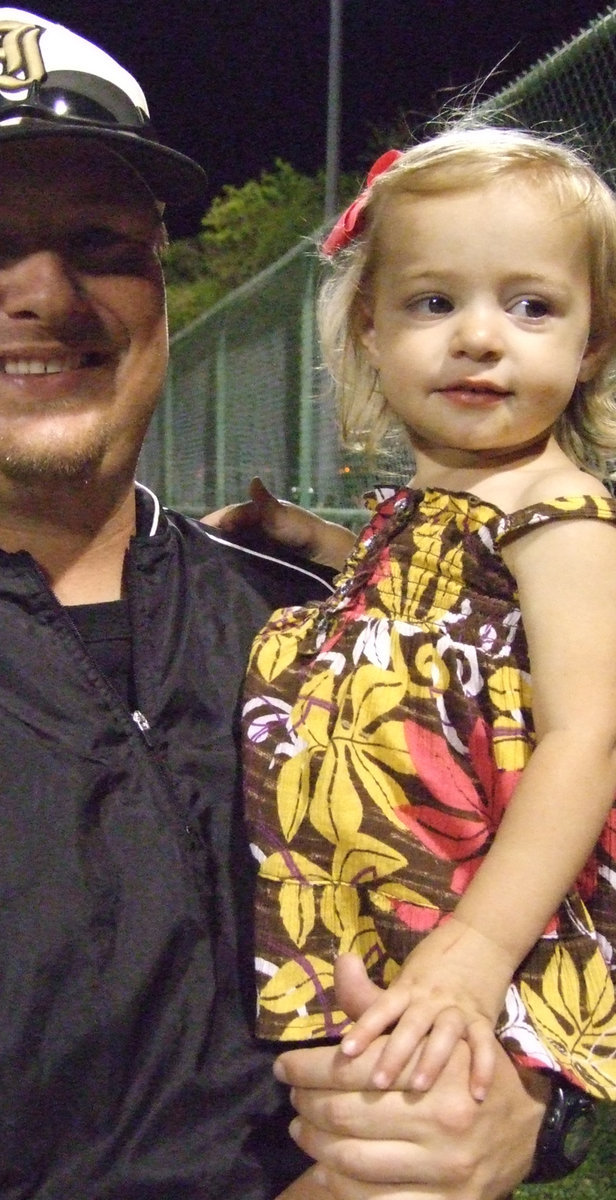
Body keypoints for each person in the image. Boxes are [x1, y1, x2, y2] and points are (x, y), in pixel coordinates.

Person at [0, 10, 557, 1197]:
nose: (46, 291)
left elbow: (557, 871)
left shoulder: (329, 612)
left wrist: (526, 1088)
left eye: (101, 241)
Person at [241, 127, 616, 1130]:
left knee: (411, 1150)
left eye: (530, 305)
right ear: (369, 329)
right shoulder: (438, 501)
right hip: (398, 895)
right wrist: (303, 539)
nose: (479, 336)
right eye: (432, 302)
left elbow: (590, 738)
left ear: (591, 344)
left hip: (477, 911)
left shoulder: (560, 513)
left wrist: (480, 948)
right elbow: (428, 603)